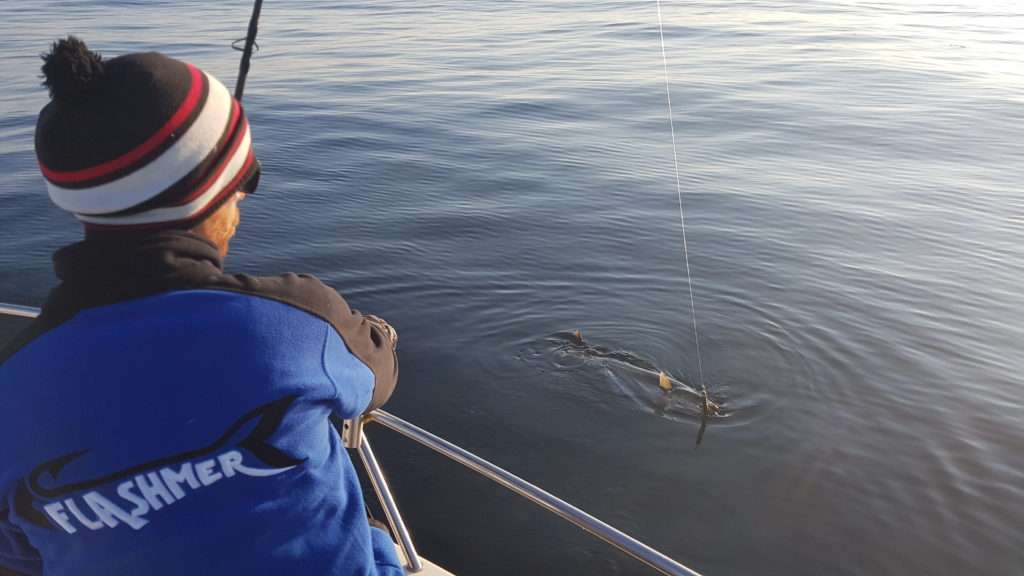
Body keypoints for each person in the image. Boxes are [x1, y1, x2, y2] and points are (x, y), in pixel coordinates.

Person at [0, 37, 404, 575]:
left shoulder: (13, 386)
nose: (242, 200)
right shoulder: (301, 321)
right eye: (242, 182)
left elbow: (19, 551)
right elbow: (377, 376)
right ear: (205, 193)